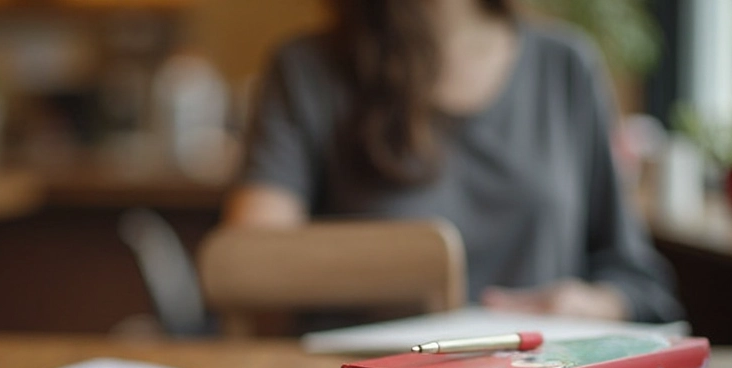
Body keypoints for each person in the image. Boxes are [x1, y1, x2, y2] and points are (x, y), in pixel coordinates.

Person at [223, 0, 685, 323]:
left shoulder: (566, 65)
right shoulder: (306, 69)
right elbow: (247, 265)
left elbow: (638, 282)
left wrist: (585, 307)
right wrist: (424, 260)